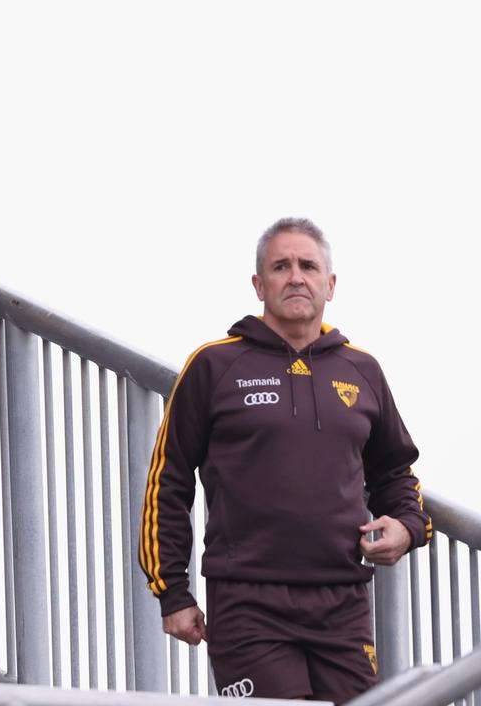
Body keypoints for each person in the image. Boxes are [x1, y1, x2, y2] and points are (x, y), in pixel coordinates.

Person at [139, 217, 431, 703]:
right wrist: (173, 590)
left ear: (330, 284)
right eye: (281, 266)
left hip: (344, 602)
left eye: (308, 266)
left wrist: (407, 527)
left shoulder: (362, 370)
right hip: (248, 604)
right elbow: (167, 481)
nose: (296, 276)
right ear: (259, 284)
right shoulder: (214, 364)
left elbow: (394, 471)